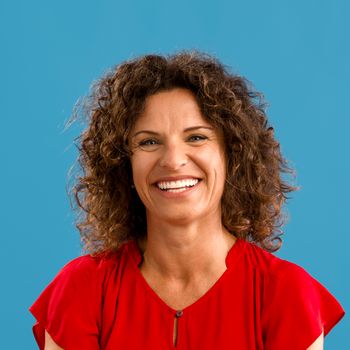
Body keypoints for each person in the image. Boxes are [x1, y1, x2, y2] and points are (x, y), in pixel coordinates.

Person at [29, 51, 345, 350]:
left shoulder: (284, 293)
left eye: (196, 137)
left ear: (231, 154)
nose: (173, 160)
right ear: (124, 162)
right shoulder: (83, 288)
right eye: (149, 141)